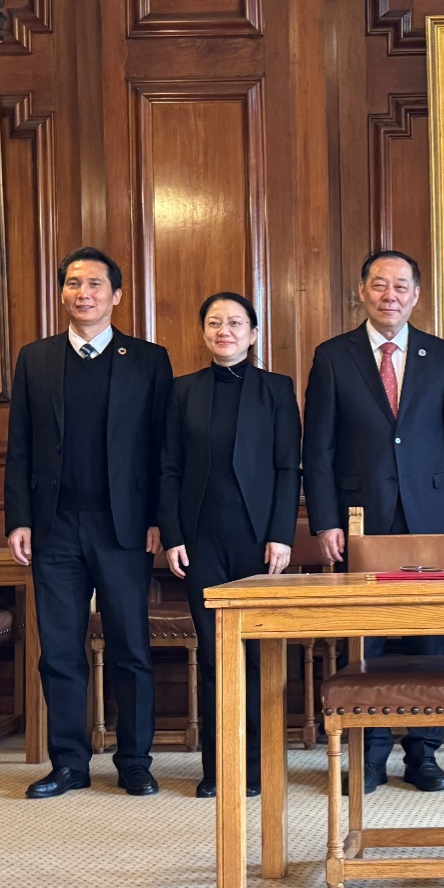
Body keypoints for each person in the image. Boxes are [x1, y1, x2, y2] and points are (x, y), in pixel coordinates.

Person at [303, 249, 444, 795]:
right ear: (362, 291)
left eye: (401, 286)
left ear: (416, 295)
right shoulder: (333, 356)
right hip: (362, 520)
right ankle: (370, 753)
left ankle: (423, 752)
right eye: (379, 284)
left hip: (431, 519)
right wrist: (326, 521)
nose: (390, 295)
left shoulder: (441, 355)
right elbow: (318, 448)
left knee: (429, 638)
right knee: (367, 641)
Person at [4, 246, 173, 798]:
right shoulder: (36, 358)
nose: (84, 293)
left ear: (116, 295)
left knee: (130, 648)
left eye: (96, 284)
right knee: (58, 650)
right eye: (74, 283)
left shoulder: (148, 360)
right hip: (54, 527)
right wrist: (18, 519)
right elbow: (20, 446)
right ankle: (69, 764)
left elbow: (163, 450)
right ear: (62, 294)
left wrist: (159, 520)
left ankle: (135, 761)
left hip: (124, 529)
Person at [159, 293, 301, 798]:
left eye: (236, 323)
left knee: (257, 654)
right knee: (214, 653)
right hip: (200, 539)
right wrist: (172, 535)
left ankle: (257, 766)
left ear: (253, 334)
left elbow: (288, 467)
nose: (225, 331)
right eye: (215, 323)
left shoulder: (277, 389)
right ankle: (219, 767)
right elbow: (169, 468)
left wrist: (282, 533)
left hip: (257, 539)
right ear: (204, 332)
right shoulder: (183, 390)